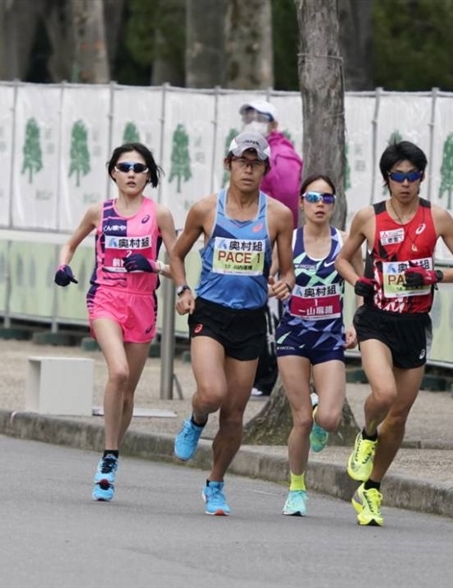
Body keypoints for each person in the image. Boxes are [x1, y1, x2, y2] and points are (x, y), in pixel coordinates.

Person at [335, 140, 453, 526]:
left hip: (414, 323)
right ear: (387, 179)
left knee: (398, 416)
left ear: (422, 177)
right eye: (398, 176)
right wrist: (357, 281)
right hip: (376, 319)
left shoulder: (437, 218)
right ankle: (366, 436)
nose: (405, 183)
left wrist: (435, 275)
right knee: (384, 393)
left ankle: (371, 490)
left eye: (412, 176)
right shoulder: (370, 217)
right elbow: (342, 258)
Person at [168, 131, 295, 516]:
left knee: (235, 414)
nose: (248, 169)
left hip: (251, 319)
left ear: (265, 170)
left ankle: (216, 483)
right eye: (242, 161)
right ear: (229, 164)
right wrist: (183, 289)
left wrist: (284, 285)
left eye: (256, 164)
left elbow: (288, 271)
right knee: (211, 393)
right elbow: (176, 255)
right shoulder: (206, 209)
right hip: (210, 312)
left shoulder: (278, 215)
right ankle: (195, 418)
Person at [54, 142, 177, 502]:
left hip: (142, 304)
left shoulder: (160, 215)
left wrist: (154, 265)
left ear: (149, 176)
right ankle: (108, 456)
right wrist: (63, 267)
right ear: (113, 172)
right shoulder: (99, 212)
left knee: (128, 391)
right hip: (105, 299)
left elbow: (178, 263)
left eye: (140, 168)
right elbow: (71, 244)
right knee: (118, 373)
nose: (132, 174)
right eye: (125, 167)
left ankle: (113, 454)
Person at [278, 174, 363, 517]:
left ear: (334, 204)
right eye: (313, 197)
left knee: (328, 419)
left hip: (329, 337)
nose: (320, 204)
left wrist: (356, 322)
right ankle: (297, 488)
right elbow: (271, 275)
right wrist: (276, 287)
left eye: (327, 198)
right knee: (300, 421)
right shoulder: (289, 240)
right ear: (301, 201)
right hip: (293, 336)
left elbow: (362, 283)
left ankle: (318, 412)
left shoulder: (345, 241)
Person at [239, 100, 302, 398]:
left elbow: (289, 205)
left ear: (274, 124)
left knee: (271, 312)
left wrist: (278, 255)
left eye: (259, 117)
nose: (252, 121)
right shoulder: (251, 152)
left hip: (274, 250)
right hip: (252, 246)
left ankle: (268, 377)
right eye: (247, 116)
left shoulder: (282, 157)